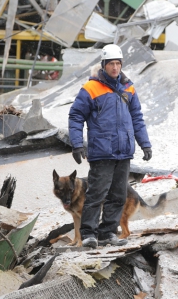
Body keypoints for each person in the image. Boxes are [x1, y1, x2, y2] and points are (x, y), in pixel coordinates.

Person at [68, 44, 152, 248]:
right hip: (102, 152)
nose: (115, 68)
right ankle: (88, 233)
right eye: (111, 64)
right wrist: (77, 144)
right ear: (103, 65)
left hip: (123, 152)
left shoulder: (128, 88)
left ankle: (107, 233)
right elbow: (76, 116)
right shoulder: (91, 88)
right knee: (97, 193)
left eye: (118, 63)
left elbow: (137, 118)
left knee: (118, 195)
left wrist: (145, 144)